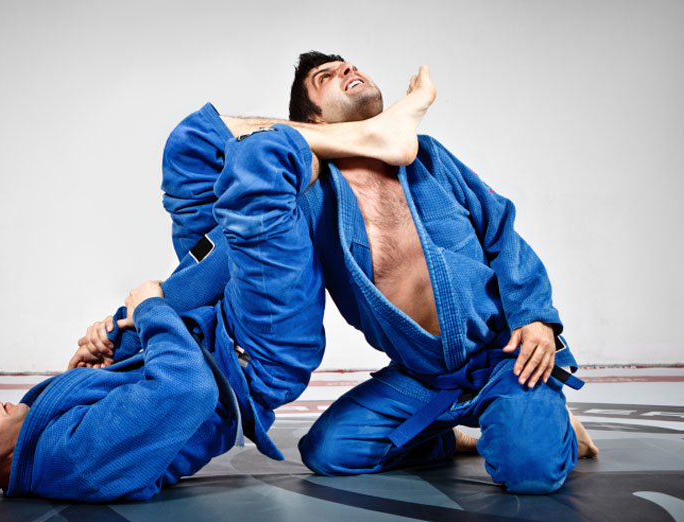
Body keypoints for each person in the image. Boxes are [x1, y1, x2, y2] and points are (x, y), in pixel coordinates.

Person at [0, 75, 437, 501]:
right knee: (265, 172)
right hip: (254, 349)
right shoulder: (74, 461)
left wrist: (108, 349)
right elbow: (189, 390)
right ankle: (373, 136)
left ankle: (363, 136)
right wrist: (150, 311)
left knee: (192, 143)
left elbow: (133, 384)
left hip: (203, 317)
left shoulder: (36, 430)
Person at [162, 52, 598, 495]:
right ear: (314, 120)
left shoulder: (428, 157)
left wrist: (535, 315)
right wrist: (155, 303)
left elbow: (501, 230)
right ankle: (448, 437)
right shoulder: (308, 195)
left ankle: (549, 422)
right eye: (325, 77)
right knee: (328, 452)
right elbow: (231, 249)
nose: (348, 70)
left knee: (530, 473)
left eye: (349, 66)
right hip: (425, 378)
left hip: (505, 353)